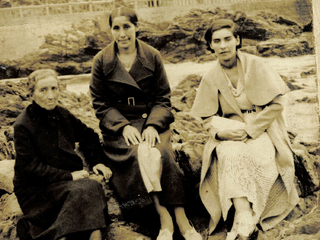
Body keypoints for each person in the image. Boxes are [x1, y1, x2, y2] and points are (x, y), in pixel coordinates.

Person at [90, 7, 202, 240]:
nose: (122, 34)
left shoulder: (152, 55)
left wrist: (152, 125)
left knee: (162, 153)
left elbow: (163, 98)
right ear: (111, 30)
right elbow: (100, 103)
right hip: (120, 128)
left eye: (127, 27)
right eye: (116, 28)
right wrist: (123, 126)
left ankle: (182, 218)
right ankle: (163, 218)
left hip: (151, 121)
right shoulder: (101, 60)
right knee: (138, 155)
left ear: (136, 27)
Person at [191, 18, 299, 240]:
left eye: (227, 39)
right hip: (230, 132)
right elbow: (206, 118)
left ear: (237, 40)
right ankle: (242, 215)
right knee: (228, 153)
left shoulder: (256, 65)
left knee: (260, 156)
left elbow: (277, 104)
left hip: (263, 128)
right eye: (217, 41)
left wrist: (250, 130)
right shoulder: (210, 76)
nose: (223, 46)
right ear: (210, 45)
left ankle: (256, 213)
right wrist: (221, 134)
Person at [13, 69, 112, 240]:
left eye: (54, 88)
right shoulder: (23, 125)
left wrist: (97, 162)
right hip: (36, 191)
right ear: (32, 94)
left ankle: (84, 234)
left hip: (63, 187)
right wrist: (69, 176)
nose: (51, 95)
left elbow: (89, 136)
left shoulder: (62, 114)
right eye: (43, 90)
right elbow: (31, 167)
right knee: (87, 187)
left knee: (91, 187)